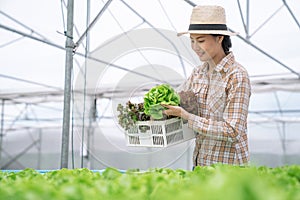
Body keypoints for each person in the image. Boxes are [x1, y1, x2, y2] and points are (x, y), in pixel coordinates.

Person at [162, 5, 251, 167]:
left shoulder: (236, 75)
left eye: (201, 40)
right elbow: (176, 99)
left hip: (229, 171)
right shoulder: (197, 74)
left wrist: (187, 117)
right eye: (192, 41)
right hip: (200, 165)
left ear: (219, 38)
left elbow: (233, 131)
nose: (195, 47)